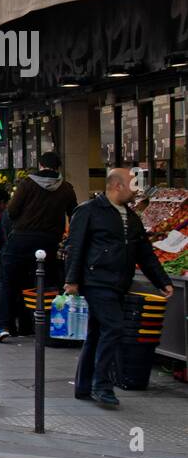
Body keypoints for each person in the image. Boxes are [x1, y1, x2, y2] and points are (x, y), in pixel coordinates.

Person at [64, 168, 173, 408]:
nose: (135, 189)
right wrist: (71, 280)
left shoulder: (131, 218)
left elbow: (144, 253)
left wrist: (162, 280)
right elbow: (76, 246)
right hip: (96, 281)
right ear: (117, 186)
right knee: (113, 328)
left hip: (118, 283)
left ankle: (84, 386)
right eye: (132, 184)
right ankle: (102, 385)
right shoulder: (89, 211)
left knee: (96, 332)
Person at [0, 151, 77, 341]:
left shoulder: (27, 184)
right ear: (57, 167)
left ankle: (2, 326)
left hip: (21, 239)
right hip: (49, 241)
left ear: (40, 165)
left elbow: (12, 211)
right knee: (43, 284)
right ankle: (43, 327)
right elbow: (75, 215)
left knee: (8, 282)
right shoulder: (66, 188)